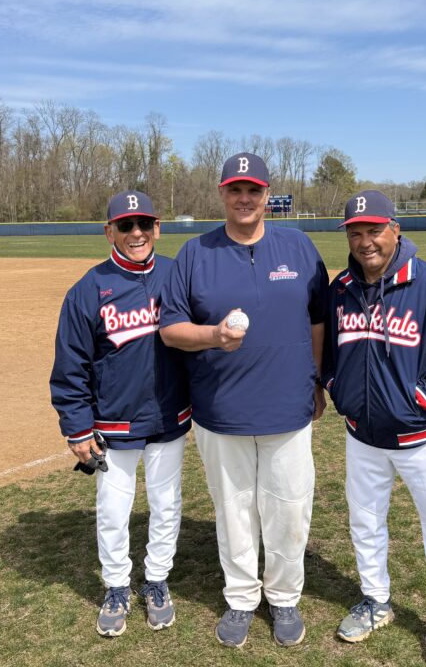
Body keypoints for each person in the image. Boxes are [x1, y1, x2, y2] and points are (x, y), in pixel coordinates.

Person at [158, 152, 328, 648]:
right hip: (221, 408)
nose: (245, 198)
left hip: (288, 405)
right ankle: (240, 598)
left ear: (266, 194)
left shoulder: (298, 247)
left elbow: (318, 320)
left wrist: (315, 381)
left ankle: (284, 597)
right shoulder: (195, 253)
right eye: (235, 189)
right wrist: (212, 334)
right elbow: (170, 329)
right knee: (233, 508)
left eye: (253, 190)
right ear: (222, 193)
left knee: (288, 507)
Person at [322, 190, 426, 667]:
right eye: (355, 232)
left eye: (374, 230)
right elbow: (329, 353)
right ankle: (376, 600)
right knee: (365, 522)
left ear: (396, 229)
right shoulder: (339, 290)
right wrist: (338, 386)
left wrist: (417, 399)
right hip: (362, 436)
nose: (365, 241)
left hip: (422, 437)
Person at [50, 190, 190, 638]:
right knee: (113, 509)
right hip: (113, 423)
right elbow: (70, 364)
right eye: (126, 225)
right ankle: (115, 585)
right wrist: (76, 426)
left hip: (169, 417)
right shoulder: (88, 290)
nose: (136, 233)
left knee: (166, 505)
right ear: (108, 230)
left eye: (144, 224)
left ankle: (156, 581)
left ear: (157, 228)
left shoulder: (177, 275)